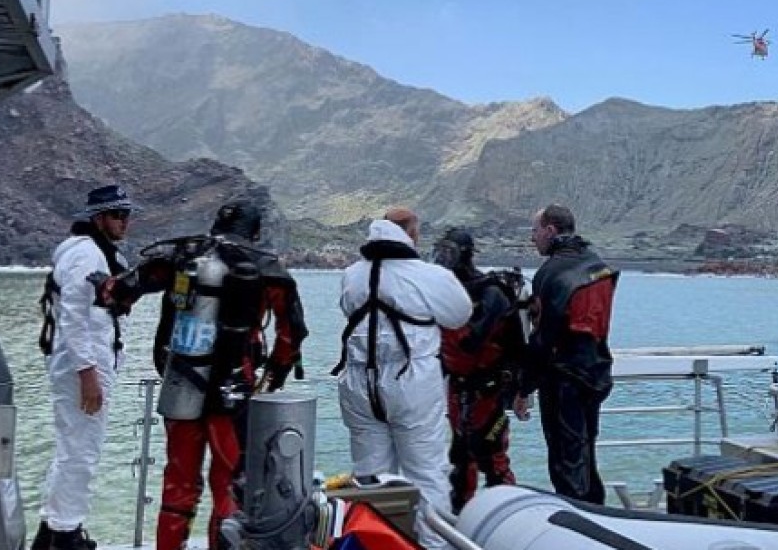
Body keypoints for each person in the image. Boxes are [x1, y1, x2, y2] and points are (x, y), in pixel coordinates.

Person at [107, 201, 308, 550]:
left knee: (178, 482)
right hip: (233, 388)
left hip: (181, 381)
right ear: (255, 231)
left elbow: (120, 289)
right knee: (230, 481)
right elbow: (292, 331)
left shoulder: (182, 256)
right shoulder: (265, 267)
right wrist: (275, 374)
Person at [333, 208, 471, 549]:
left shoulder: (351, 275)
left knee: (370, 475)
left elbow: (349, 309)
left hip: (359, 382)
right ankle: (433, 545)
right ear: (411, 234)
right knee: (427, 473)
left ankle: (375, 542)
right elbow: (459, 314)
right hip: (412, 382)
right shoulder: (430, 276)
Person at [32, 184, 136, 550]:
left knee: (72, 446)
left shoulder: (88, 250)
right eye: (117, 215)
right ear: (98, 218)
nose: (124, 222)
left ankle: (52, 529)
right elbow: (73, 317)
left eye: (126, 215)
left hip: (82, 361)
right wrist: (88, 373)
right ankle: (66, 534)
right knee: (82, 450)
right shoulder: (88, 254)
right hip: (83, 364)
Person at [523, 204, 620, 504]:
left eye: (535, 231)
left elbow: (543, 338)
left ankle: (577, 515)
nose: (532, 238)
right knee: (585, 451)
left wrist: (523, 387)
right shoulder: (597, 265)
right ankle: (596, 509)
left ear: (550, 231)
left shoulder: (550, 273)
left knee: (566, 459)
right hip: (596, 373)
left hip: (563, 378)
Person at [430, 228, 530, 513]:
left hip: (488, 388)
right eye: (440, 252)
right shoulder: (449, 292)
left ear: (464, 255)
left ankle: (507, 516)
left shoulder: (491, 292)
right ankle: (461, 516)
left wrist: (521, 390)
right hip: (458, 386)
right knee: (461, 455)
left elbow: (472, 341)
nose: (443, 260)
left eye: (449, 253)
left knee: (491, 454)